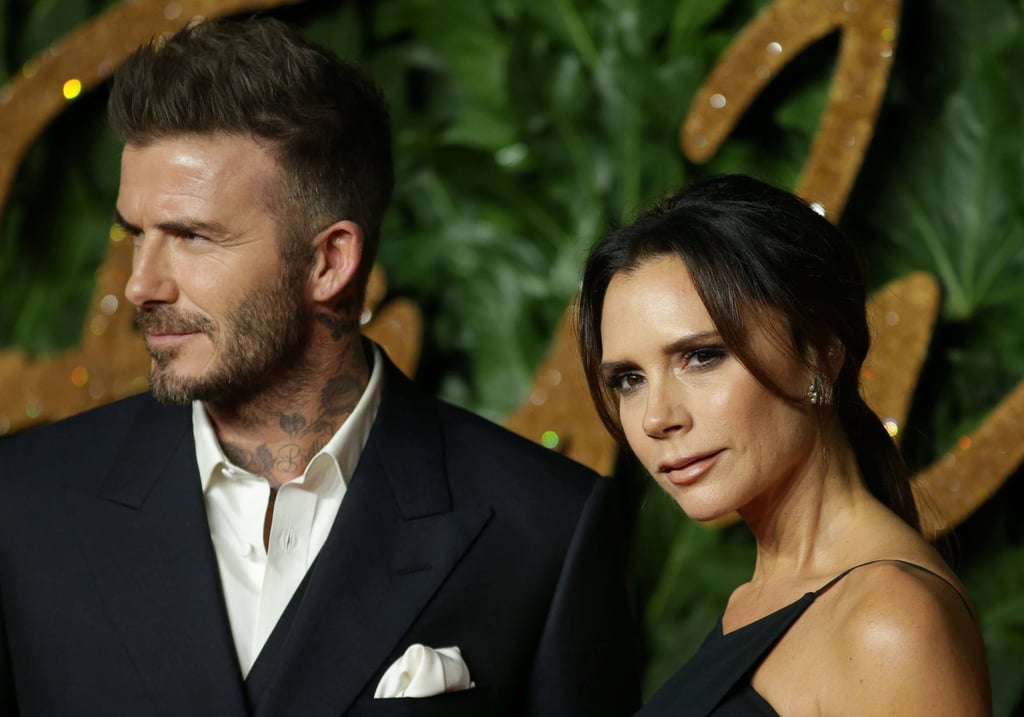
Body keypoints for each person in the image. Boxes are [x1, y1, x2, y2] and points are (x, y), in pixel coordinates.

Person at [0, 17, 640, 717]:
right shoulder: (24, 504)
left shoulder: (544, 524)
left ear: (328, 260)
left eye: (190, 236)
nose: (141, 284)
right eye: (136, 234)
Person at [577, 174, 991, 716]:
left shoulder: (887, 623)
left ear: (821, 351)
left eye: (702, 356)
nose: (657, 418)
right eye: (629, 379)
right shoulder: (756, 601)